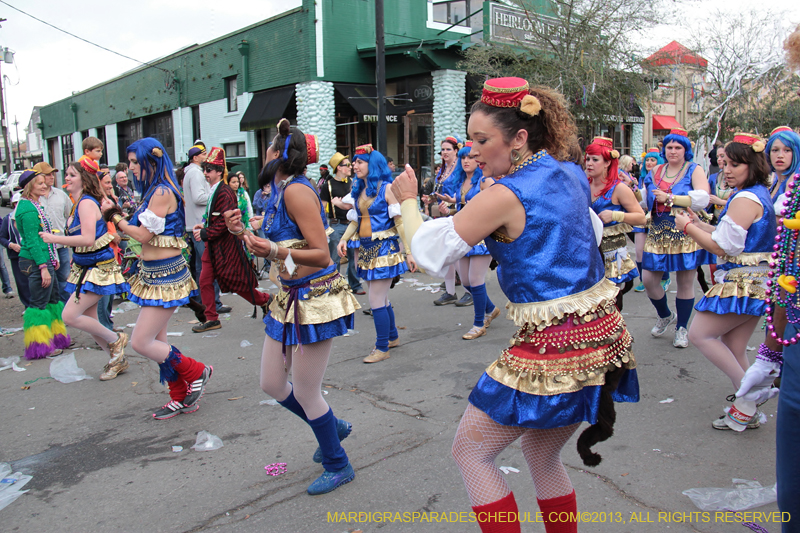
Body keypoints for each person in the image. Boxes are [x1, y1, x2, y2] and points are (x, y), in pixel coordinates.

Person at [393, 77, 638, 533]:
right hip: (603, 337)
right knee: (541, 454)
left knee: (471, 451)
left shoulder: (503, 195)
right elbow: (591, 232)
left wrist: (407, 203)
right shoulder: (568, 171)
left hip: (555, 347)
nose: (475, 150)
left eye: (483, 140)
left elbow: (427, 254)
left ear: (520, 137)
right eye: (471, 140)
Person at [223, 119, 359, 495]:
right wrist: (243, 232)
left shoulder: (297, 192)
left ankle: (338, 463)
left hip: (314, 297)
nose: (263, 152)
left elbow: (321, 255)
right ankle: (333, 428)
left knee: (305, 391)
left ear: (280, 154)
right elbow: (280, 240)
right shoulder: (278, 191)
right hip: (289, 297)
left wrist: (274, 250)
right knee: (271, 382)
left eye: (269, 146)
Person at [103, 137, 213, 419]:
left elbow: (142, 235)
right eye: (129, 163)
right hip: (154, 274)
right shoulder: (153, 190)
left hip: (166, 276)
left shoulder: (162, 191)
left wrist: (116, 218)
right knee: (158, 345)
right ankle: (179, 397)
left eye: (135, 162)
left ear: (151, 160)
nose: (131, 168)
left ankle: (196, 370)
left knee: (141, 342)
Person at [674, 134, 776, 429]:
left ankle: (747, 399)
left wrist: (689, 226)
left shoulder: (745, 198)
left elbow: (722, 247)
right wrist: (699, 223)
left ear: (752, 164)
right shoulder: (755, 193)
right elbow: (727, 236)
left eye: (735, 164)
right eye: (725, 163)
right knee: (733, 343)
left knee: (698, 334)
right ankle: (749, 405)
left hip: (743, 281)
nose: (727, 169)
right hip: (755, 280)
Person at [41, 159, 130, 381]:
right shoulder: (77, 202)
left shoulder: (86, 203)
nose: (67, 178)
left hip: (97, 268)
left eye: (72, 174)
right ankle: (116, 359)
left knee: (69, 316)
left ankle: (115, 340)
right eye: (67, 174)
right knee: (91, 322)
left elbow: (89, 239)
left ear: (84, 178)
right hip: (84, 267)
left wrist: (54, 238)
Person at [337, 144, 415, 363]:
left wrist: (408, 252)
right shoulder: (359, 189)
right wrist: (343, 240)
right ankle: (391, 337)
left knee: (376, 299)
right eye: (354, 162)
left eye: (360, 162)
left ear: (373, 164)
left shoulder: (387, 188)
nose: (355, 165)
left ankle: (382, 348)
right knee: (381, 298)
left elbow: (400, 224)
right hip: (366, 249)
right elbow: (355, 220)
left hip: (384, 249)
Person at [642, 128, 711, 348]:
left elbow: (703, 198)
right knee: (648, 280)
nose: (672, 151)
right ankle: (665, 314)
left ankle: (682, 327)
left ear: (685, 150)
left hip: (683, 229)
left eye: (677, 147)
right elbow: (645, 200)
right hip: (658, 229)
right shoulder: (656, 171)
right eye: (669, 147)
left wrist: (671, 198)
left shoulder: (694, 169)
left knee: (685, 281)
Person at [191, 147, 270, 333]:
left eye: (208, 170)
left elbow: (224, 224)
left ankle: (266, 300)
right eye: (204, 169)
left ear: (219, 171)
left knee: (237, 283)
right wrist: (204, 226)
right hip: (214, 247)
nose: (205, 173)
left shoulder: (225, 192)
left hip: (225, 248)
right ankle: (211, 317)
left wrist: (204, 233)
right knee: (205, 280)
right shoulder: (216, 189)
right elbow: (215, 219)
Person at [436, 141, 501, 340]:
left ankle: (478, 323)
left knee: (475, 280)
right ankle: (490, 309)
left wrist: (460, 202)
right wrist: (450, 207)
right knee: (465, 282)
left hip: (481, 236)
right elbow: (464, 208)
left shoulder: (485, 181)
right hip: (463, 234)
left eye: (471, 157)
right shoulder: (459, 182)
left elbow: (492, 205)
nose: (466, 161)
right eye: (463, 157)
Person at [15, 170, 71, 359]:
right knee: (39, 304)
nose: (44, 186)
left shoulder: (35, 205)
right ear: (29, 187)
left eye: (44, 183)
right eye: (39, 183)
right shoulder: (28, 209)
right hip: (35, 261)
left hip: (45, 259)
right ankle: (38, 347)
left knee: (53, 299)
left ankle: (56, 338)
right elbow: (32, 242)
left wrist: (52, 258)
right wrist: (43, 267)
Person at [586, 137, 646, 311]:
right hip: (589, 248)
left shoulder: (619, 188)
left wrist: (615, 214)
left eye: (595, 159)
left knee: (612, 299)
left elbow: (641, 218)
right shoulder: (583, 184)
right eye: (588, 159)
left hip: (612, 252)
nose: (589, 163)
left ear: (607, 163)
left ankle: (616, 335)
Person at [182, 143, 222, 320]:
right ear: (195, 157)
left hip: (194, 224)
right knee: (208, 265)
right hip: (199, 224)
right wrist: (215, 195)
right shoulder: (196, 173)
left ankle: (203, 301)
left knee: (200, 266)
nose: (206, 156)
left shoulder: (190, 173)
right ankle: (212, 303)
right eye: (203, 154)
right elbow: (199, 198)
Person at [428, 135, 466, 306]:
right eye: (442, 149)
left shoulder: (460, 168)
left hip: (457, 213)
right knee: (446, 256)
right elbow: (439, 190)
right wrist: (430, 199)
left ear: (456, 151)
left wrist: (450, 205)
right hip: (442, 215)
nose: (444, 152)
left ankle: (469, 291)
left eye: (448, 149)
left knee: (457, 255)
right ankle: (450, 292)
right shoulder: (443, 169)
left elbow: (463, 192)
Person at [320, 152, 365, 295]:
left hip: (352, 224)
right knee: (335, 257)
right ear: (339, 168)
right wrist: (323, 227)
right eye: (347, 165)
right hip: (336, 224)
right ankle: (335, 285)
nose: (351, 167)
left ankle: (355, 284)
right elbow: (322, 207)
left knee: (354, 256)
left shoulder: (353, 183)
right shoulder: (328, 185)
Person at [33, 161, 72, 303]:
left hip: (61, 245)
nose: (51, 177)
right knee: (46, 282)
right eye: (47, 174)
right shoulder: (32, 199)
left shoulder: (61, 195)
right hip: (42, 248)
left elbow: (70, 216)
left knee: (64, 279)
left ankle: (65, 310)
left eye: (52, 174)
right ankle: (51, 310)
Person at [633, 149, 668, 292]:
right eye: (647, 160)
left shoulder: (663, 178)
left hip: (658, 217)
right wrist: (632, 185)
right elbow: (639, 200)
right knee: (639, 251)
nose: (649, 162)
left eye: (652, 160)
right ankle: (642, 280)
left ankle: (664, 278)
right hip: (642, 217)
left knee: (660, 250)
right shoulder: (641, 178)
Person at [0, 193, 30, 307]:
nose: (18, 205)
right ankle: (27, 305)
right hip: (16, 256)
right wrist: (11, 245)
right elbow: (2, 237)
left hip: (30, 254)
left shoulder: (31, 216)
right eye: (16, 203)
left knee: (34, 281)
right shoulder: (8, 219)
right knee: (21, 282)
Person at [767, 126, 800, 202]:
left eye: (787, 150)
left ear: (796, 153)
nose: (780, 155)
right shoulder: (772, 184)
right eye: (775, 150)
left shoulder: (796, 185)